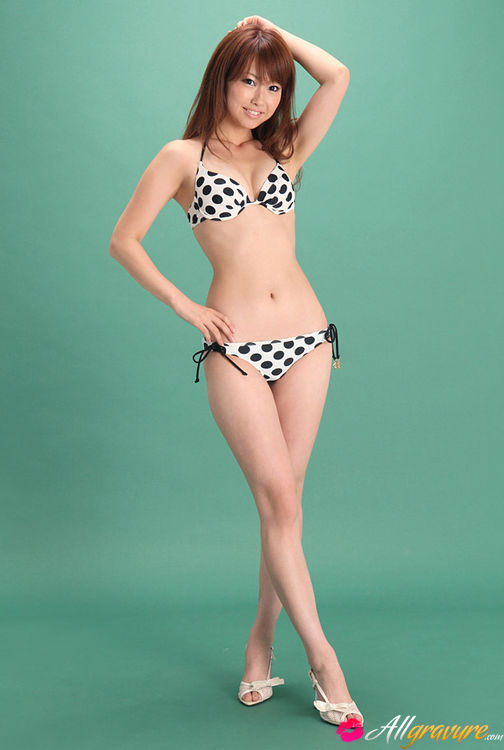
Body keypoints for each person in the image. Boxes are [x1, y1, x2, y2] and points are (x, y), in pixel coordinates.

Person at [109, 15, 363, 729]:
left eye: (273, 86)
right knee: (278, 500)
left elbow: (338, 76)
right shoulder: (180, 157)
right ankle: (323, 659)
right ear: (221, 80)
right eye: (247, 79)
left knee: (286, 506)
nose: (259, 97)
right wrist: (185, 305)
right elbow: (124, 240)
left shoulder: (285, 149)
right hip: (238, 348)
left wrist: (272, 29)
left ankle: (260, 642)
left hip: (308, 340)